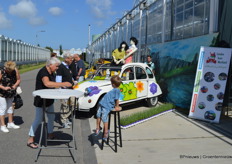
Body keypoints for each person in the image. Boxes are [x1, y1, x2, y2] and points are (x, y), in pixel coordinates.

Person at [27, 57, 72, 149]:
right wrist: (64, 84)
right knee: (38, 119)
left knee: (51, 117)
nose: (57, 68)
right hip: (41, 100)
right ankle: (30, 139)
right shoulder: (43, 72)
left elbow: (53, 84)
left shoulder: (52, 72)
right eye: (56, 66)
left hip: (49, 100)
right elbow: (47, 83)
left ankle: (50, 135)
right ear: (50, 65)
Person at [95, 75, 122, 141]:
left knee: (104, 117)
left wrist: (116, 106)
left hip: (107, 105)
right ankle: (98, 127)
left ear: (113, 84)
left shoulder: (117, 91)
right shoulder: (114, 90)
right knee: (98, 114)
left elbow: (117, 99)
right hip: (103, 103)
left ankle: (106, 132)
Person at [0, 61, 21, 133]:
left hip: (11, 92)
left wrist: (15, 85)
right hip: (1, 93)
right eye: (9, 71)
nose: (10, 72)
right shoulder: (1, 71)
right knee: (3, 108)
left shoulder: (15, 70)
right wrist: (3, 88)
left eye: (11, 71)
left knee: (10, 107)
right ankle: (2, 125)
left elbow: (18, 80)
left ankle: (10, 123)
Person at [56, 52, 75, 129]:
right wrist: (61, 88)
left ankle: (66, 117)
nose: (72, 60)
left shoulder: (67, 66)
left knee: (72, 104)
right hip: (64, 90)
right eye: (71, 58)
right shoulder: (61, 67)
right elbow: (58, 80)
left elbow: (69, 76)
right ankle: (63, 120)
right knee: (65, 105)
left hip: (70, 89)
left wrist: (73, 80)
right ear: (66, 59)